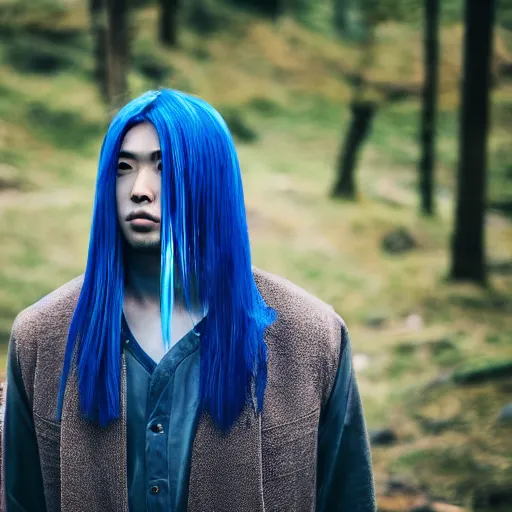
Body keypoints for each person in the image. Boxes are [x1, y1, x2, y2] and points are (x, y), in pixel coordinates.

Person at [1, 89, 376, 512]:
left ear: (211, 181)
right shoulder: (41, 336)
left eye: (165, 168)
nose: (140, 190)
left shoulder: (312, 335)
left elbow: (349, 498)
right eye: (123, 168)